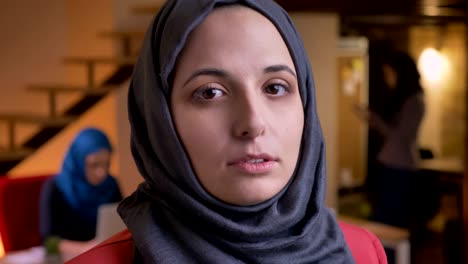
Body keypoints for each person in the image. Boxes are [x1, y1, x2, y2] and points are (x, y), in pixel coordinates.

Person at [67, 1, 386, 263]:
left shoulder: (362, 253)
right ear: (159, 121)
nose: (252, 123)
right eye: (210, 93)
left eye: (275, 87)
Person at [355, 51, 425, 228]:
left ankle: (390, 256)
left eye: (389, 74)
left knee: (390, 220)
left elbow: (399, 136)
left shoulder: (414, 102)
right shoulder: (405, 100)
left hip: (400, 167)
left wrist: (375, 120)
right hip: (393, 165)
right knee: (385, 217)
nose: (388, 80)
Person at [39, 127, 123, 259]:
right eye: (94, 165)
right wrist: (85, 248)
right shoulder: (54, 187)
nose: (101, 172)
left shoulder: (110, 184)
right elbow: (48, 242)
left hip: (103, 257)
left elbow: (120, 224)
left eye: (106, 164)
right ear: (78, 160)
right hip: (69, 259)